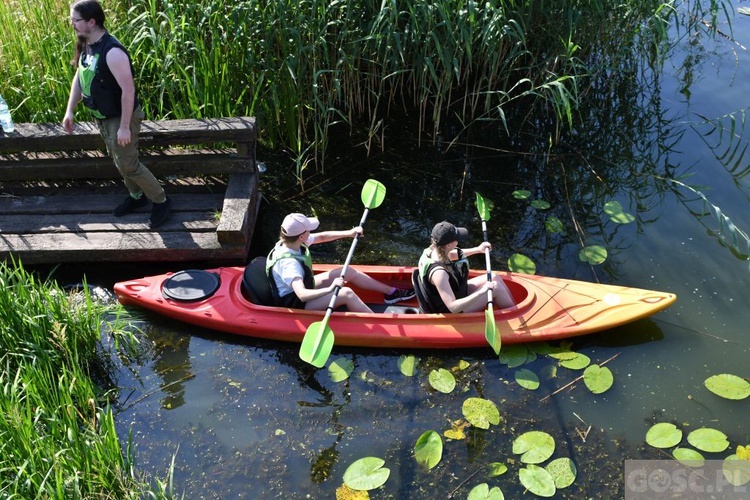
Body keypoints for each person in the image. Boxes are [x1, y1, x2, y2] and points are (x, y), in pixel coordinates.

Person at [62, 0, 171, 229]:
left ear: (91, 22)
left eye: (75, 20)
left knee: (129, 164)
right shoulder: (86, 43)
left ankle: (161, 200)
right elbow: (80, 77)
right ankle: (136, 197)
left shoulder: (112, 51)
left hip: (121, 117)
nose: (71, 23)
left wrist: (123, 126)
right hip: (103, 118)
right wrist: (70, 110)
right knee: (120, 161)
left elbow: (128, 90)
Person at [266, 213, 416, 312]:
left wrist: (349, 233)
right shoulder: (289, 265)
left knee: (348, 271)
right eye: (308, 231)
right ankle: (380, 322)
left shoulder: (290, 242)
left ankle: (391, 293)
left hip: (305, 285)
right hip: (296, 302)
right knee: (346, 294)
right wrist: (331, 289)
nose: (310, 233)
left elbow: (322, 237)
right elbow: (302, 295)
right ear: (301, 236)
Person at [417, 221, 515, 313]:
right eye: (457, 238)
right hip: (451, 311)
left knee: (494, 277)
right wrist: (482, 291)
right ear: (449, 245)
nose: (458, 240)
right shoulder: (439, 274)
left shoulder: (432, 250)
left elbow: (450, 254)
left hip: (456, 292)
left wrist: (478, 249)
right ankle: (515, 316)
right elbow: (452, 307)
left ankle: (514, 308)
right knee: (496, 288)